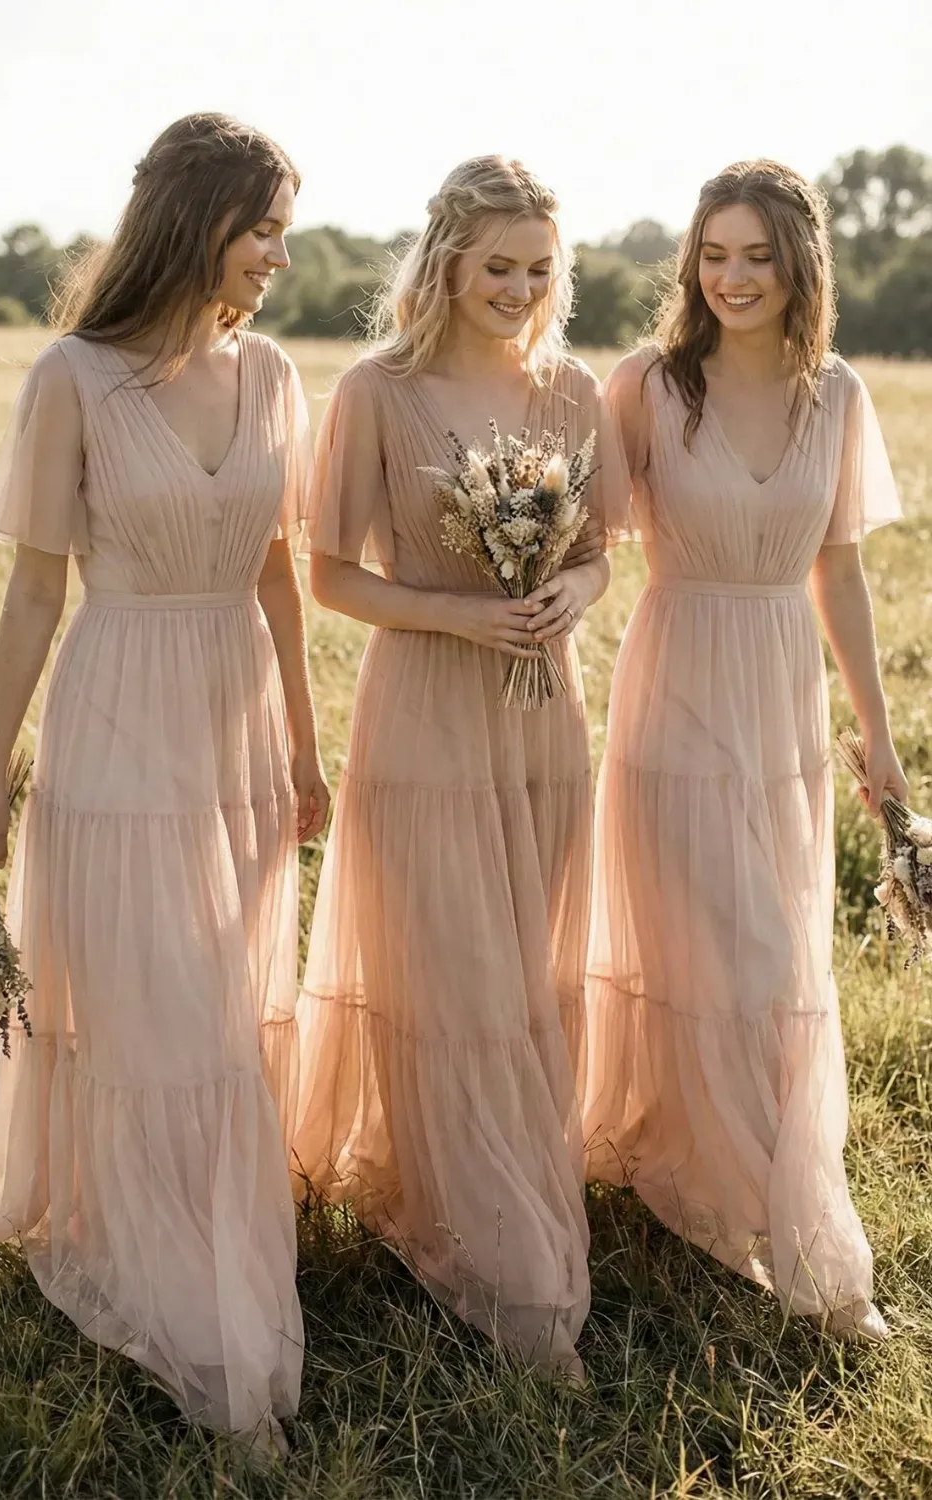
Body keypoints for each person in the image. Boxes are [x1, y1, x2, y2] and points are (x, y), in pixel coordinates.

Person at [0, 112, 328, 1457]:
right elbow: (36, 589)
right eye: (261, 225)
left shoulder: (276, 373)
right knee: (165, 1018)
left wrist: (306, 745)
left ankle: (184, 1236)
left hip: (237, 721)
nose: (278, 252)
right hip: (117, 719)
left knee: (220, 1007)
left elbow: (280, 571)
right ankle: (192, 1302)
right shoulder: (74, 377)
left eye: (284, 227)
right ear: (194, 219)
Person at [293, 156, 629, 1379]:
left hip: (544, 716)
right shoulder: (375, 392)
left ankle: (500, 1191)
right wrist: (460, 617)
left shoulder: (573, 388)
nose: (520, 287)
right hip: (427, 711)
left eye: (540, 269)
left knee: (532, 973)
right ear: (444, 261)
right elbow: (328, 575)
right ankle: (502, 1263)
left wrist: (568, 601)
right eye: (498, 266)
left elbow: (599, 554)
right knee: (456, 979)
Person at [582, 159, 905, 1342]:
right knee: (714, 953)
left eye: (755, 255)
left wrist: (876, 734)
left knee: (771, 960)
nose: (731, 277)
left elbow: (842, 574)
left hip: (781, 706)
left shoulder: (838, 398)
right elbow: (583, 548)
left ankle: (737, 1183)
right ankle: (786, 1230)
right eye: (712, 254)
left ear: (799, 263)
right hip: (673, 694)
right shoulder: (648, 389)